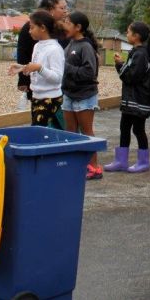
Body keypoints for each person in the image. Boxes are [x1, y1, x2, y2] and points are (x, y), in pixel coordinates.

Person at [104, 22, 150, 173]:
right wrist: (122, 64)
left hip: (138, 100)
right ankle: (121, 160)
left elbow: (131, 77)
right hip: (132, 100)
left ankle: (143, 162)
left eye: (128, 32)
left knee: (138, 129)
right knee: (124, 128)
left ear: (136, 36)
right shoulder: (137, 52)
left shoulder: (140, 54)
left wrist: (119, 65)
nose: (126, 34)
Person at [16, 0, 69, 128]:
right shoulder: (38, 44)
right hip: (37, 94)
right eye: (62, 8)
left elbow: (56, 75)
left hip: (50, 97)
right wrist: (22, 70)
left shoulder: (54, 48)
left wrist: (39, 68)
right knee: (38, 130)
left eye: (32, 28)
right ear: (51, 8)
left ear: (43, 28)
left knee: (49, 133)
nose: (65, 12)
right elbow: (24, 54)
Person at [61, 11, 102, 180]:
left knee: (86, 133)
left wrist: (66, 67)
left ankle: (94, 168)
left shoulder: (85, 47)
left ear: (78, 27)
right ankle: (75, 165)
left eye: (68, 23)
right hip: (69, 95)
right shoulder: (69, 44)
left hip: (84, 96)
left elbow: (89, 72)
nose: (65, 26)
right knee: (70, 132)